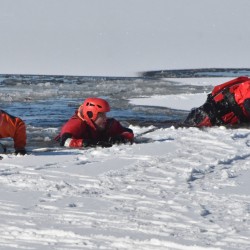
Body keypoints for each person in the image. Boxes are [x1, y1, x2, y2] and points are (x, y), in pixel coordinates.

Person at [57, 97, 134, 148]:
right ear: (91, 115)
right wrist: (90, 143)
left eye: (105, 115)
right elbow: (64, 141)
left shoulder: (109, 124)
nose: (105, 119)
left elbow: (129, 132)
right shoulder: (76, 124)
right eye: (102, 115)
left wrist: (121, 137)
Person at [183, 76, 250, 127]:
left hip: (208, 110)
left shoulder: (246, 83)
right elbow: (247, 104)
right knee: (188, 126)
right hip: (210, 117)